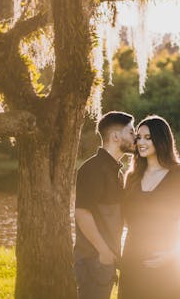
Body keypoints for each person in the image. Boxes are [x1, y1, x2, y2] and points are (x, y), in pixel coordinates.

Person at [118, 115, 180, 299]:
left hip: (168, 262)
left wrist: (172, 253)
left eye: (148, 137)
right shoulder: (132, 177)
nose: (141, 142)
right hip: (133, 260)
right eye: (139, 137)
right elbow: (123, 219)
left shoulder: (178, 175)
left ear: (161, 139)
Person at [74, 111, 136, 299]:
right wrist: (104, 252)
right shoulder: (92, 169)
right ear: (115, 136)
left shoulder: (115, 171)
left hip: (105, 261)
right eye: (131, 132)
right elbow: (82, 213)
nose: (136, 137)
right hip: (94, 260)